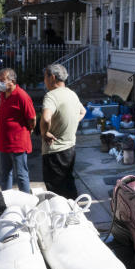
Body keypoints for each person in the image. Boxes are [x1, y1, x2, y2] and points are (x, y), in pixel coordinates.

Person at [40, 63, 86, 199]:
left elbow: (46, 118)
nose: (44, 81)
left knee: (56, 192)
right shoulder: (72, 94)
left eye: (45, 77)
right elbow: (83, 111)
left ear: (52, 77)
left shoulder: (51, 96)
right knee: (68, 183)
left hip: (54, 151)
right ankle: (74, 213)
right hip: (70, 149)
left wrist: (44, 132)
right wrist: (71, 122)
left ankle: (64, 216)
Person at [0, 68, 36, 192]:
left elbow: (32, 118)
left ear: (12, 81)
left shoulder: (22, 96)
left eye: (2, 81)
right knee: (5, 173)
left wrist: (29, 129)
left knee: (21, 175)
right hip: (4, 142)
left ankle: (26, 202)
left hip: (18, 143)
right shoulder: (3, 94)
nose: (0, 83)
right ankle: (6, 201)